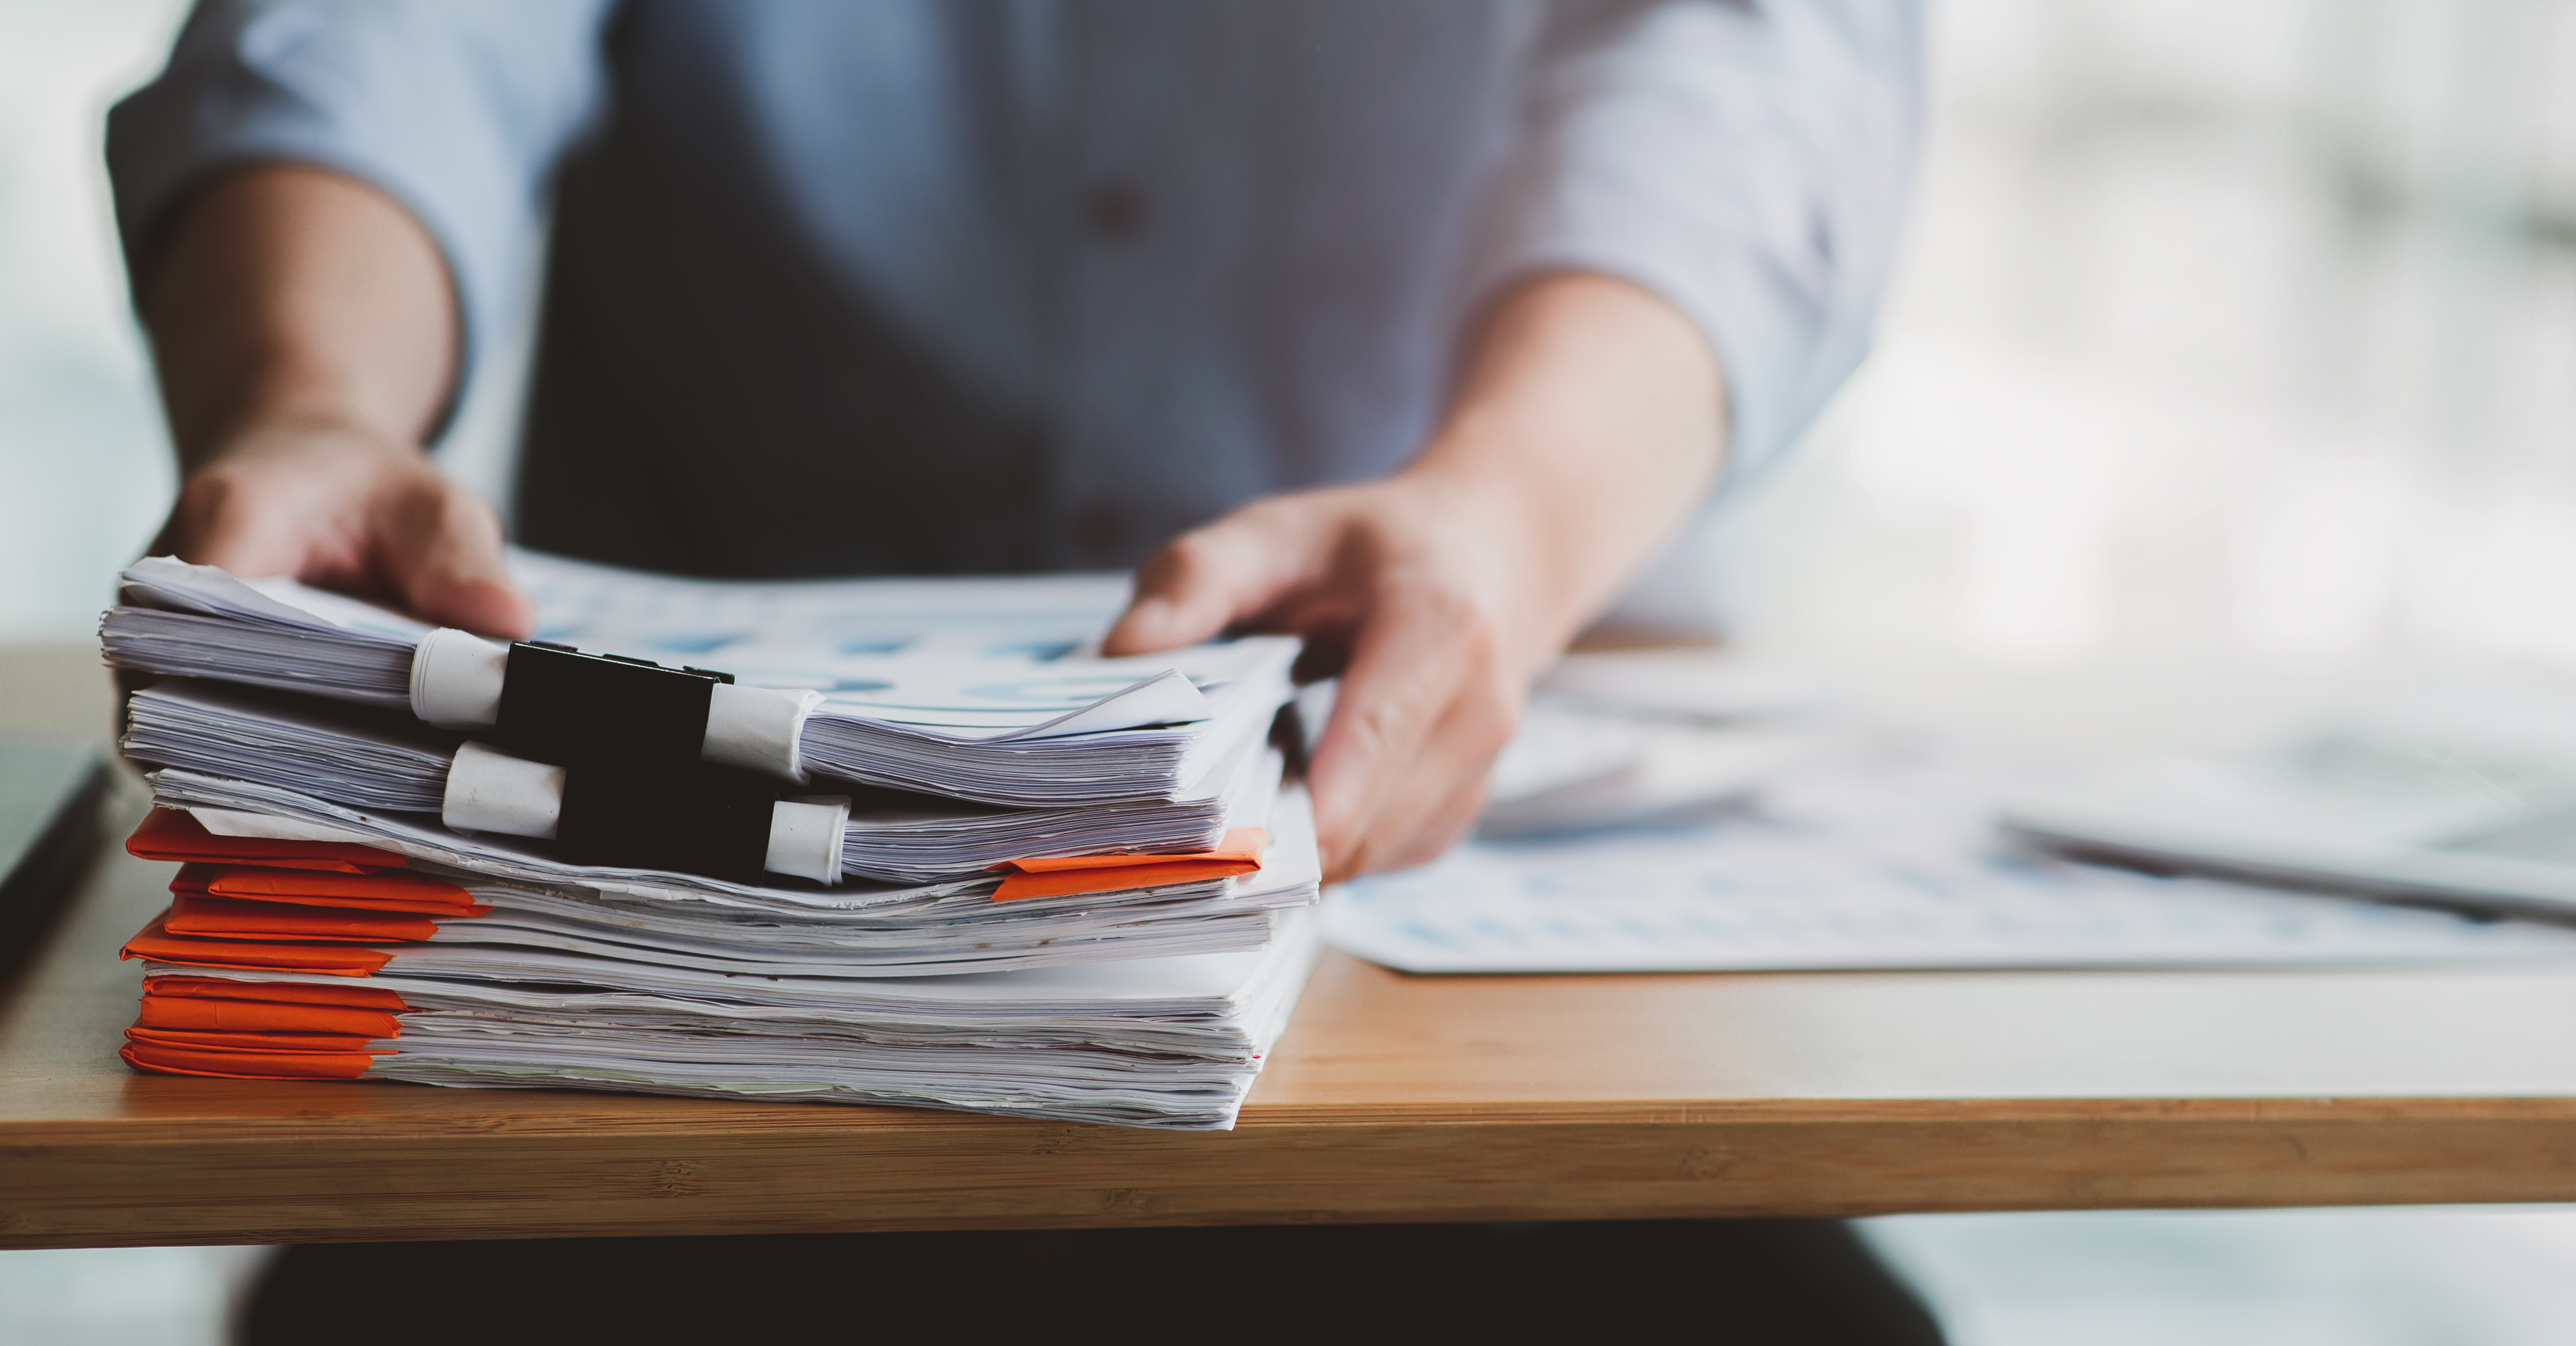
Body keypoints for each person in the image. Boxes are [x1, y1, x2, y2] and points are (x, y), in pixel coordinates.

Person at [109, 4, 1935, 1342]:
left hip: (1473, 934)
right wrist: (313, 397)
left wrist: (1516, 518)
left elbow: (1749, 67)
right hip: (650, 1015)